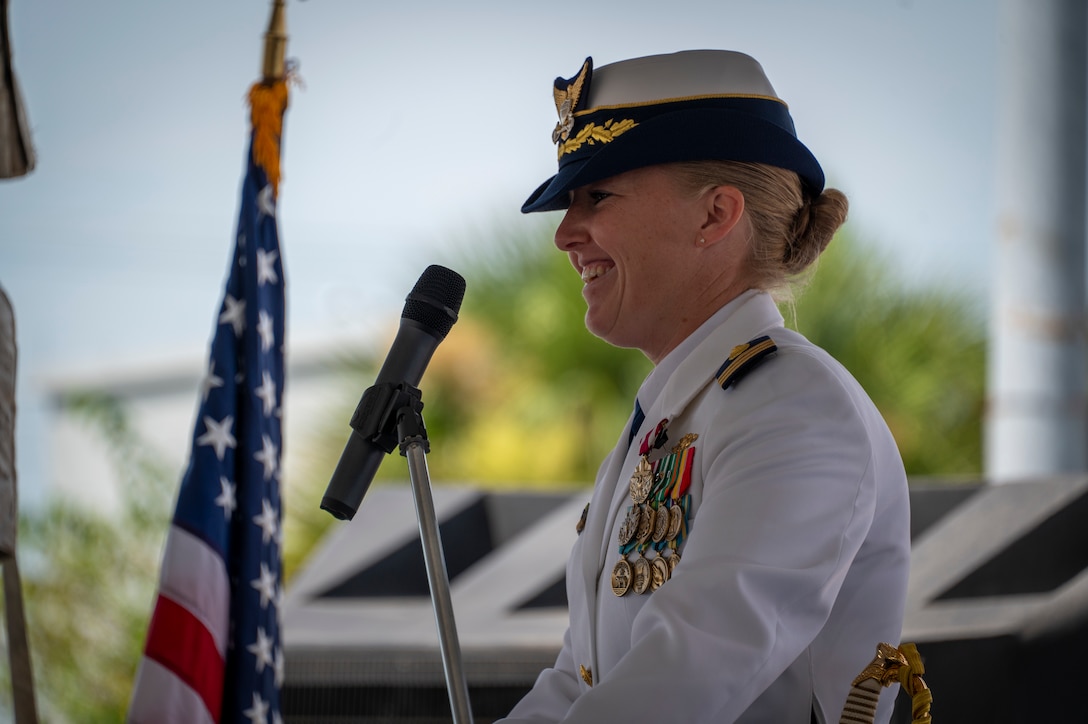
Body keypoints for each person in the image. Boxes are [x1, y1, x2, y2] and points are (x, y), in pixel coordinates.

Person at [497, 50, 911, 723]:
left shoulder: (795, 411)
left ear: (714, 215)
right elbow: (583, 685)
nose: (566, 234)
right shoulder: (674, 416)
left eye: (596, 196)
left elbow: (685, 680)